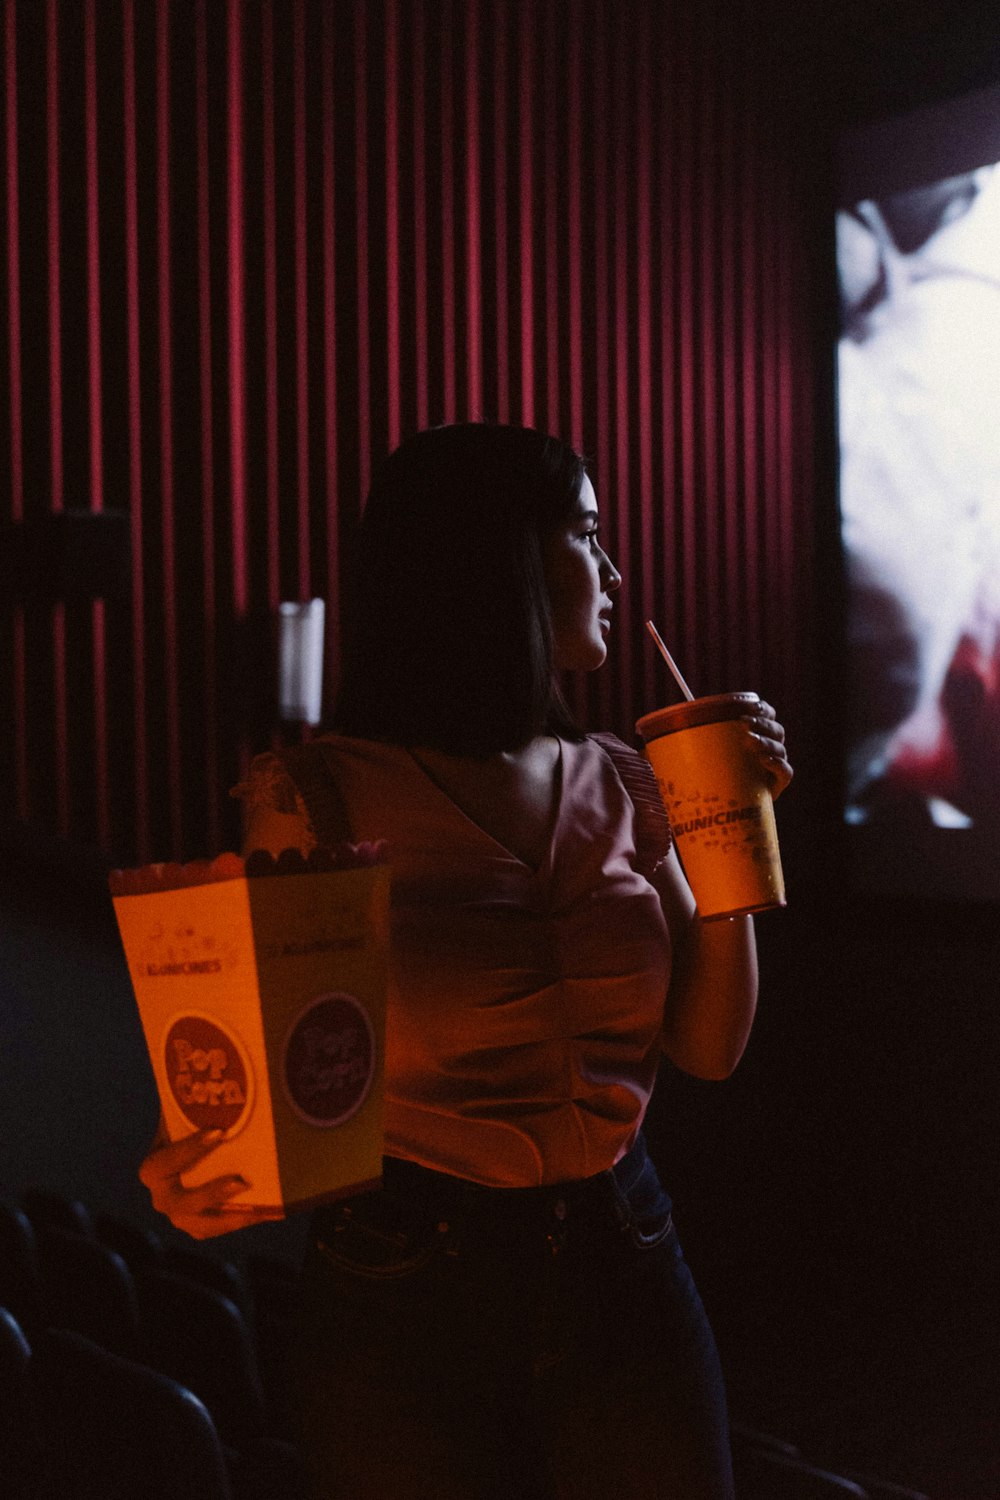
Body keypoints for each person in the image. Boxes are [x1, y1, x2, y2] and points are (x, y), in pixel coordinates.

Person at [140, 423, 792, 1499]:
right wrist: (206, 1161)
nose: (614, 570)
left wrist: (730, 835)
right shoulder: (319, 797)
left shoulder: (625, 779)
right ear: (499, 564)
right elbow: (268, 1083)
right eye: (587, 535)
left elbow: (711, 1048)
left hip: (622, 1247)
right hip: (409, 1278)